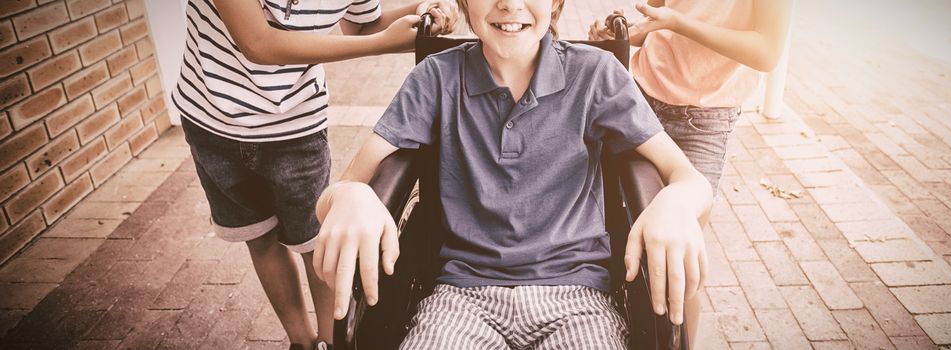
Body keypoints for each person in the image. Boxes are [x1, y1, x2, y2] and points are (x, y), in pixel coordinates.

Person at [312, 0, 714, 348]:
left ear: (555, 3)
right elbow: (341, 188)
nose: (509, 3)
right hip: (460, 296)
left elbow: (688, 177)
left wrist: (674, 203)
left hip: (576, 296)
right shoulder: (435, 78)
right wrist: (352, 197)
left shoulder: (595, 74)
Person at [172, 0, 457, 348]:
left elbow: (364, 24)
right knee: (259, 238)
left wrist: (427, 8)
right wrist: (383, 44)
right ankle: (301, 341)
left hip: (296, 126)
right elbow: (257, 42)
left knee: (317, 243)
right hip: (212, 122)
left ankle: (330, 342)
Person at [588, 0, 794, 191]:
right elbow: (656, 21)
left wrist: (677, 23)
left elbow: (767, 53)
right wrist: (619, 33)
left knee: (679, 223)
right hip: (643, 98)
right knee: (618, 204)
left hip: (705, 119)